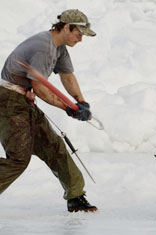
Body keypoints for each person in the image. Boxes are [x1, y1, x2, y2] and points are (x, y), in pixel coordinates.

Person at [0, 9, 97, 212]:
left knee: (54, 147)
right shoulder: (44, 47)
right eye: (79, 34)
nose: (81, 39)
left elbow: (67, 75)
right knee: (19, 158)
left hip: (23, 101)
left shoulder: (58, 47)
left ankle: (76, 197)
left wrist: (81, 101)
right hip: (9, 102)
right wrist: (68, 109)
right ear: (67, 27)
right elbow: (40, 88)